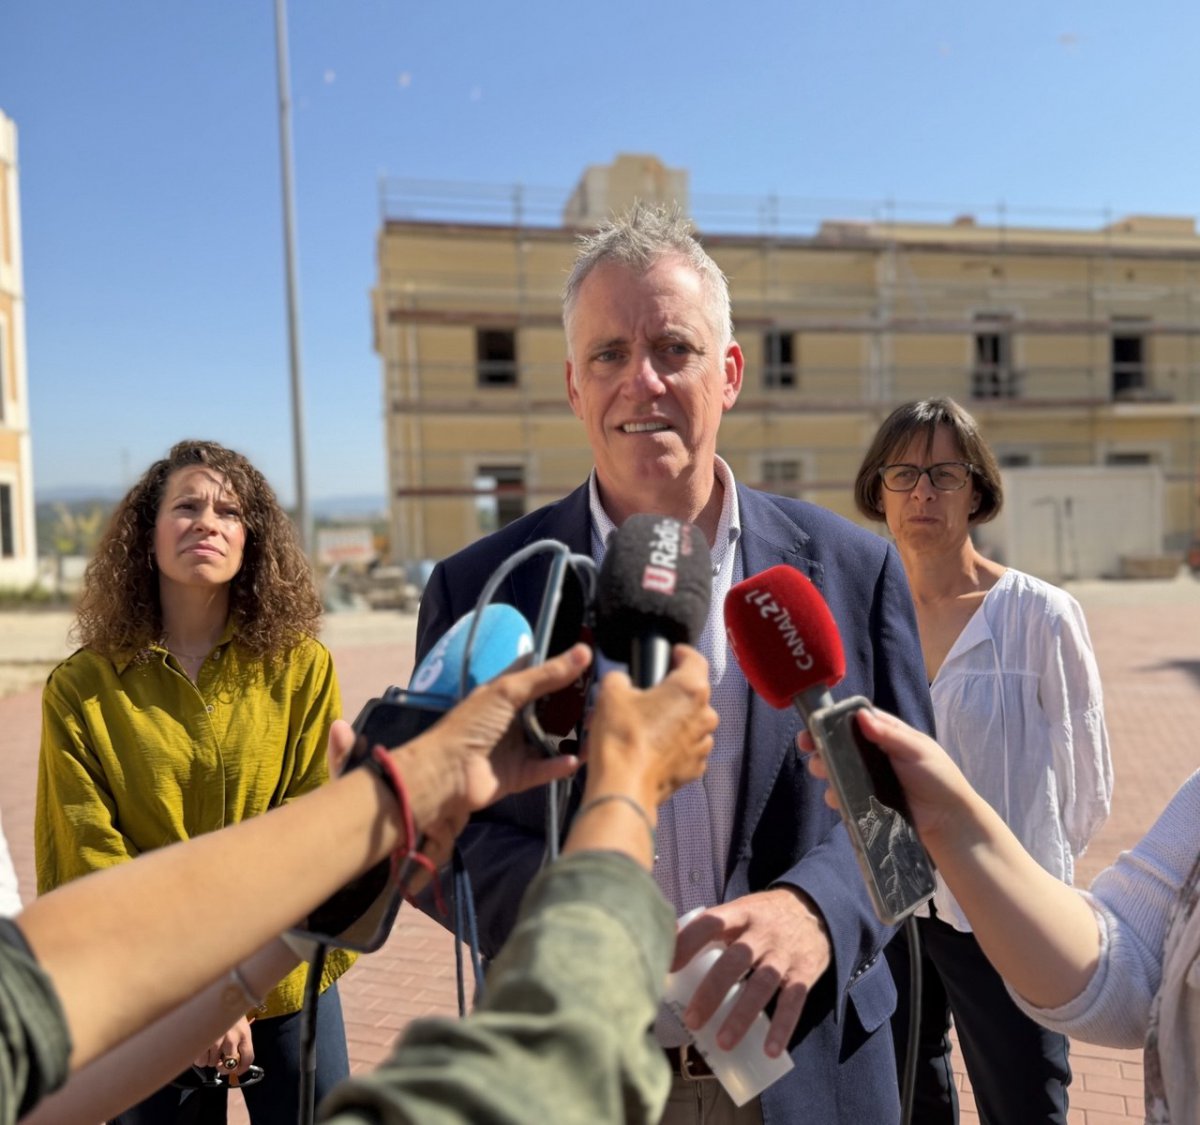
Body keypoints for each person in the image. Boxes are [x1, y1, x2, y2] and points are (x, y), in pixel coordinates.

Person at [414, 204, 935, 1123]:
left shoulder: (852, 569)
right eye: (608, 355)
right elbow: (442, 833)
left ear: (728, 373)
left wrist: (818, 911)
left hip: (809, 1068)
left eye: (674, 348)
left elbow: (912, 810)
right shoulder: (484, 589)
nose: (641, 381)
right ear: (573, 386)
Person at [9, 642, 719, 1125]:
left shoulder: (298, 662)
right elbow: (526, 1081)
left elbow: (38, 1018)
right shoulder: (84, 682)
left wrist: (384, 813)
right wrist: (626, 789)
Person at [34, 439, 355, 1125]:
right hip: (151, 993)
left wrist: (235, 986)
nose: (207, 521)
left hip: (284, 969)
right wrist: (195, 995)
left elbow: (312, 831)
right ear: (146, 537)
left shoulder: (302, 669)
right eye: (186, 506)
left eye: (229, 511)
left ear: (252, 541)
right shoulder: (81, 690)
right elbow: (91, 859)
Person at [853, 398, 1113, 1124]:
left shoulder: (1039, 616)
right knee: (912, 1100)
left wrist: (1027, 877)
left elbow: (1087, 784)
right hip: (896, 908)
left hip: (1005, 909)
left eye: (944, 472)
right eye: (903, 473)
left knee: (1025, 1102)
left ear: (978, 489)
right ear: (879, 491)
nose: (923, 493)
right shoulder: (867, 614)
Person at [802, 709, 1199, 1125]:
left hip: (994, 925)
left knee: (1021, 1094)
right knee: (918, 1072)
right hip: (936, 905)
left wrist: (1053, 856)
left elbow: (1082, 740)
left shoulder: (1037, 638)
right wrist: (949, 821)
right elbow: (1128, 961)